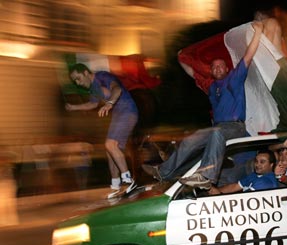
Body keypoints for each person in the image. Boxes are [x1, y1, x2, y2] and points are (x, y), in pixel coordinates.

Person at [142, 21, 264, 189]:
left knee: (217, 133)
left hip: (235, 128)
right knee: (191, 139)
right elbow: (192, 73)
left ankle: (206, 176)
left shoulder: (234, 79)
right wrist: (181, 58)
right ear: (212, 72)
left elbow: (248, 57)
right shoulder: (212, 87)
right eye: (214, 67)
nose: (218, 68)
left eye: (221, 66)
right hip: (218, 128)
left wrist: (258, 32)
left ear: (227, 69)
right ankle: (163, 172)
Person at [66, 63, 138, 195]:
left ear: (86, 73)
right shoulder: (93, 88)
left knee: (110, 144)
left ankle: (129, 181)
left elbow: (117, 89)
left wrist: (109, 104)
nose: (78, 83)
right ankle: (115, 185)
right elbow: (92, 104)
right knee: (110, 151)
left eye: (78, 78)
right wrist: (74, 107)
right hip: (118, 115)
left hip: (128, 111)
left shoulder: (103, 76)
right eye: (75, 81)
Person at [208, 149, 278, 195]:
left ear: (271, 165)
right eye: (256, 161)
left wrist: (219, 195)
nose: (257, 164)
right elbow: (235, 186)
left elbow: (244, 201)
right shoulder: (255, 175)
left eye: (262, 162)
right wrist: (215, 191)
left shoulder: (266, 182)